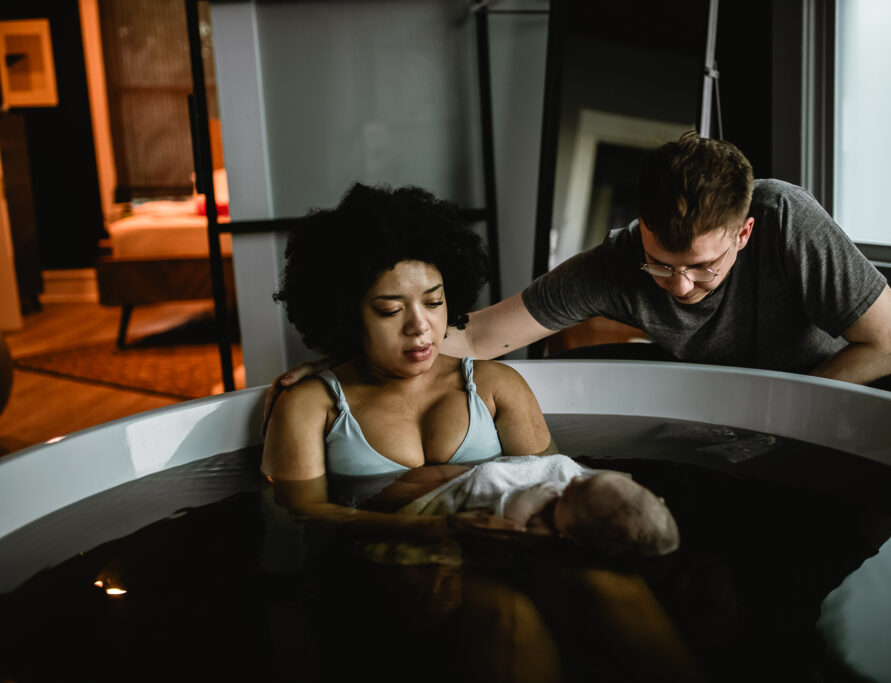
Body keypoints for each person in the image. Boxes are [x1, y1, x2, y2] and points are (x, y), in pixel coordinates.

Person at [265, 132, 891, 422]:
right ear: (640, 224)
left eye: (704, 267)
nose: (681, 286)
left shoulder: (787, 220)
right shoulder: (617, 264)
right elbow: (485, 333)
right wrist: (344, 360)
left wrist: (779, 413)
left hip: (852, 399)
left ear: (743, 234)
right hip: (736, 420)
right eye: (661, 262)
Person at [261, 182, 553, 535]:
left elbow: (554, 486)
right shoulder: (308, 406)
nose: (419, 325)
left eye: (433, 302)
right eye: (390, 310)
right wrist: (437, 530)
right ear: (347, 316)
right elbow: (296, 517)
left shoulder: (496, 387)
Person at [394, 454, 681, 557]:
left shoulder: (545, 531)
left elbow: (505, 532)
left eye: (576, 494)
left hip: (461, 502)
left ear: (568, 532)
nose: (575, 483)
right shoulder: (583, 493)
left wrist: (518, 507)